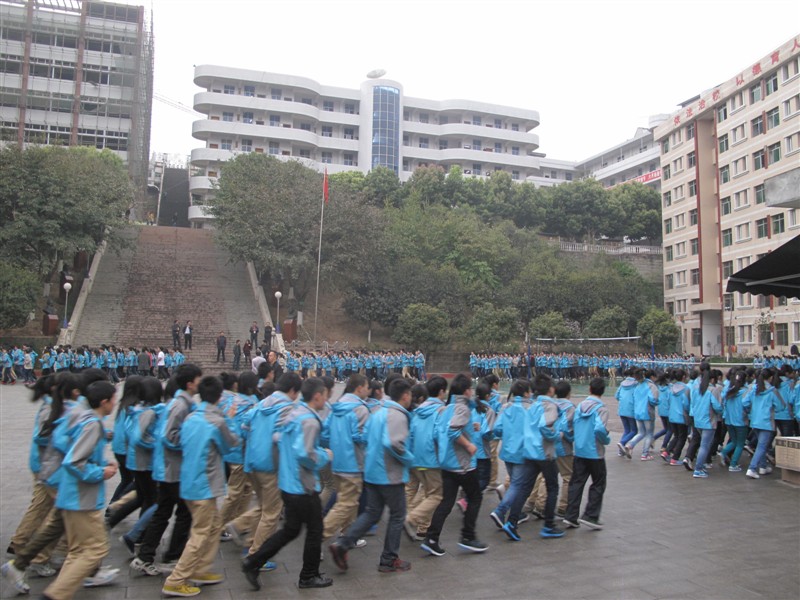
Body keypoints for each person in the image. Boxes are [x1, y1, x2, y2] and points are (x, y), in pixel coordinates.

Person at [241, 377, 333, 591]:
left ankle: (252, 562)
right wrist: (324, 455)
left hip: (287, 482)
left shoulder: (294, 413)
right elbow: (304, 453)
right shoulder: (309, 421)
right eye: (325, 395)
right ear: (317, 396)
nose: (326, 399)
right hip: (303, 485)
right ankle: (308, 575)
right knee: (315, 529)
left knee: (290, 530)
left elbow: (277, 438)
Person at [162, 376, 240, 597]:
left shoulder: (191, 417)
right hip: (204, 485)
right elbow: (231, 445)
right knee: (200, 534)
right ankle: (176, 580)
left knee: (213, 526)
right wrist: (230, 419)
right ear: (219, 396)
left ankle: (201, 569)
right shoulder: (216, 422)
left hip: (188, 480)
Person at [42, 380, 119, 600]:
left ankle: (58, 593)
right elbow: (74, 461)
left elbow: (78, 452)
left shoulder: (85, 418)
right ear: (104, 402)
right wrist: (100, 472)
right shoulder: (92, 424)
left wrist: (102, 463)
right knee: (96, 549)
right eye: (113, 399)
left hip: (72, 495)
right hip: (81, 497)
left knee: (77, 551)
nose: (115, 403)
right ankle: (52, 595)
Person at [329, 378, 415, 573]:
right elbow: (393, 443)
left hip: (372, 470)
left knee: (372, 513)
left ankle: (343, 544)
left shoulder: (378, 411)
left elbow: (366, 437)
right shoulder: (398, 415)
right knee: (397, 515)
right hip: (389, 474)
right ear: (405, 395)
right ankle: (389, 558)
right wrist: (409, 459)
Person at [131, 364, 202, 577]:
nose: (200, 382)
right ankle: (173, 555)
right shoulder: (180, 406)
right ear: (190, 383)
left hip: (169, 467)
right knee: (184, 511)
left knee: (163, 512)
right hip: (173, 468)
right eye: (198, 379)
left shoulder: (181, 403)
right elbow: (169, 436)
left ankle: (145, 556)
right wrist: (191, 439)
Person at [420, 374, 488, 556]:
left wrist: (469, 428)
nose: (472, 391)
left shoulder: (446, 408)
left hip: (447, 463)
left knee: (446, 502)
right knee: (475, 497)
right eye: (470, 388)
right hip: (462, 464)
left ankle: (431, 538)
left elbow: (438, 433)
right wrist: (468, 445)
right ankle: (468, 536)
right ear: (466, 391)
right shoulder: (462, 408)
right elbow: (453, 431)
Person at [241, 373, 301, 563]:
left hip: (252, 461)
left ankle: (250, 542)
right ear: (292, 390)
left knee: (262, 507)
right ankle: (256, 556)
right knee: (271, 513)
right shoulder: (287, 409)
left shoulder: (261, 404)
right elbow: (283, 438)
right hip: (271, 466)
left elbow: (244, 424)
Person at [322, 374, 370, 544]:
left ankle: (348, 536)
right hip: (354, 463)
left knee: (347, 501)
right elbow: (363, 437)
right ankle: (317, 537)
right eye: (367, 387)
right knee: (346, 504)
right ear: (359, 388)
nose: (368, 390)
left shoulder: (336, 407)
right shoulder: (361, 409)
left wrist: (336, 445)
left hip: (337, 461)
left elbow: (325, 433)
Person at [403, 376, 446, 542]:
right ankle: (412, 519)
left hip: (416, 458)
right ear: (441, 391)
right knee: (435, 495)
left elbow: (411, 435)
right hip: (431, 460)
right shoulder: (440, 411)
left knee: (421, 491)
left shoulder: (417, 412)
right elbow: (440, 436)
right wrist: (445, 459)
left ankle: (420, 526)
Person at [563, 378, 610, 530]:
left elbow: (568, 425)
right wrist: (606, 440)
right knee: (598, 483)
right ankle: (591, 515)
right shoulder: (602, 409)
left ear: (589, 389)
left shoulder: (579, 407)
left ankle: (570, 516)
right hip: (595, 452)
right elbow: (600, 429)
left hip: (580, 450)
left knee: (576, 483)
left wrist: (574, 439)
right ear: (603, 391)